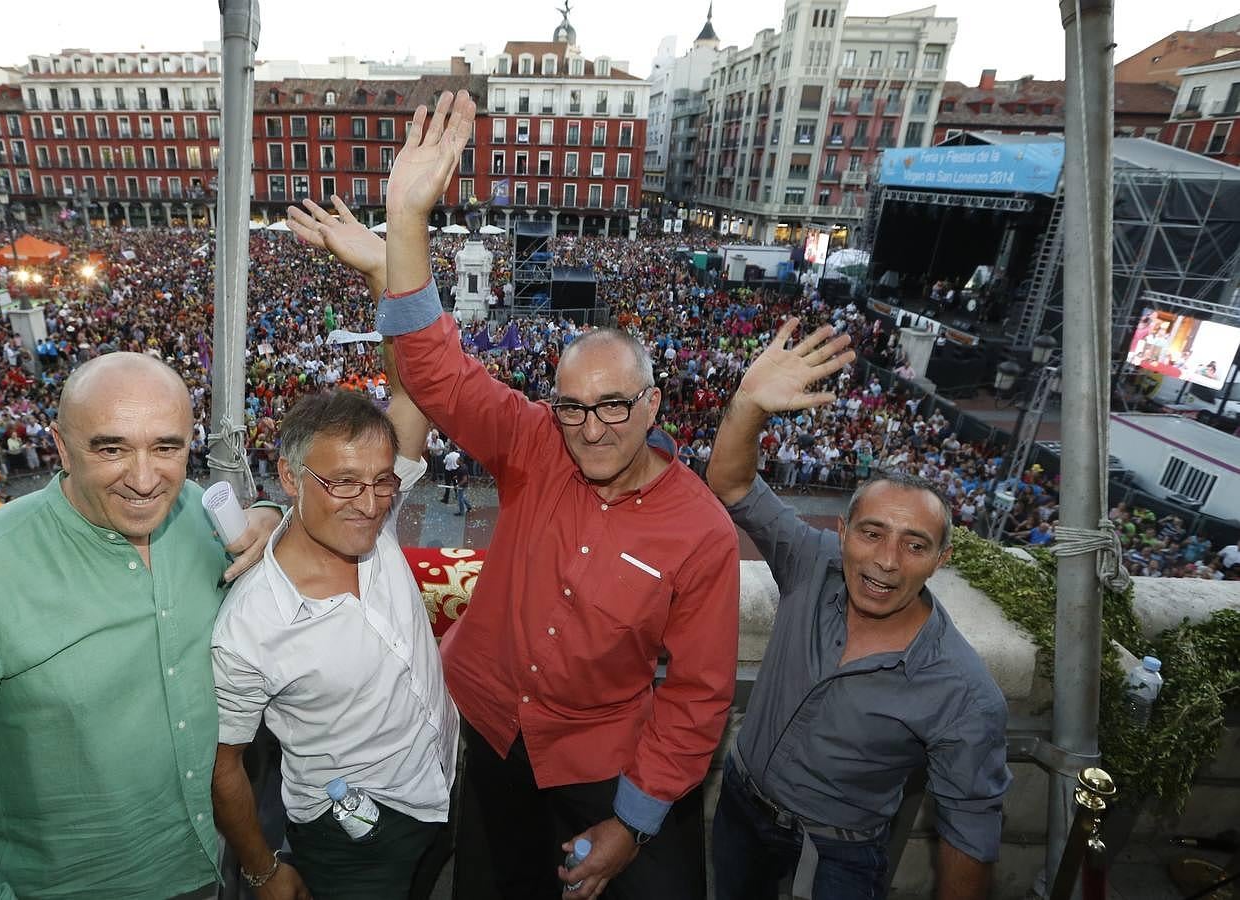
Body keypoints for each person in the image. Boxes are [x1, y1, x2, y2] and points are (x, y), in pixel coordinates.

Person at [371, 89, 742, 899]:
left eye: (614, 405)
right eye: (572, 406)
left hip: (600, 763)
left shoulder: (702, 533)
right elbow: (435, 372)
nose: (591, 427)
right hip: (494, 737)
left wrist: (634, 819)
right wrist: (405, 218)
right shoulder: (535, 441)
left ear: (653, 404)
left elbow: (697, 695)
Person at [0, 352, 282, 899]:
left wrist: (269, 515)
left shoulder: (200, 515)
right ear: (60, 447)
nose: (144, 478)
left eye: (167, 447)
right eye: (111, 448)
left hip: (210, 863)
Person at [705, 318, 1010, 900]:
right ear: (841, 533)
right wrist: (748, 405)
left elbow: (969, 833)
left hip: (836, 854)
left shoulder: (962, 690)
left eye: (914, 544)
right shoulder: (810, 561)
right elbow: (731, 482)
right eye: (871, 533)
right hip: (740, 812)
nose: (888, 561)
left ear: (940, 560)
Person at [212, 202, 458, 900]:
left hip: (440, 788)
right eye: (343, 482)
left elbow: (411, 389)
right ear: (289, 478)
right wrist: (263, 872)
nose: (371, 502)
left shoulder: (372, 523)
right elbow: (225, 763)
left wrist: (388, 271)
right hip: (351, 838)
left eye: (382, 482)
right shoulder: (250, 624)